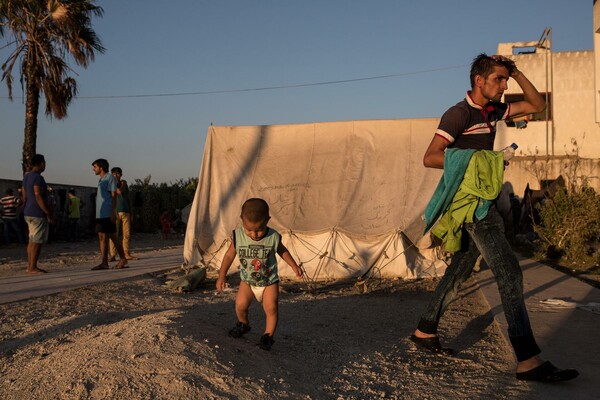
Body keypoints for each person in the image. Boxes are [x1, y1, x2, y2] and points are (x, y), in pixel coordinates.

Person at [411, 54, 578, 382]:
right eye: (499, 79)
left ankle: (425, 330)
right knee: (509, 271)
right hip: (473, 206)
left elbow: (536, 104)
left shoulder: (494, 111)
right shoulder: (458, 115)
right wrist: (481, 162)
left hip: (482, 202)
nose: (504, 86)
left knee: (458, 271)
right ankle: (528, 359)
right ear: (479, 81)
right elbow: (430, 157)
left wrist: (516, 72)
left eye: (505, 79)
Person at [216, 198, 303, 350]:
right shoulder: (238, 236)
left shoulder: (272, 237)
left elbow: (282, 251)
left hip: (269, 281)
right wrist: (222, 275)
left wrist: (294, 265)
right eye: (249, 229)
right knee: (240, 305)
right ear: (242, 220)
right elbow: (229, 255)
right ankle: (243, 324)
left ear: (268, 220)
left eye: (259, 229)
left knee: (271, 308)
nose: (254, 234)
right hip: (248, 281)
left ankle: (267, 336)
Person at [91, 158, 128, 270]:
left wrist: (113, 212)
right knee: (104, 237)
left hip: (107, 213)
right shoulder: (101, 179)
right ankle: (106, 262)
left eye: (95, 167)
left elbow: (113, 196)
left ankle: (121, 258)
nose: (93, 169)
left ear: (101, 168)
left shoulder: (109, 178)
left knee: (110, 237)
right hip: (100, 214)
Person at [22, 154, 54, 274]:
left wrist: (25, 205)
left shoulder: (26, 177)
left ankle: (30, 265)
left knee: (31, 240)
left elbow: (24, 195)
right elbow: (37, 194)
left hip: (28, 212)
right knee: (37, 241)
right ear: (41, 163)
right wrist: (47, 211)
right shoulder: (37, 178)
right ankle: (32, 267)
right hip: (37, 213)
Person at [109, 167, 137, 260]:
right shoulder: (112, 183)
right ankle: (112, 254)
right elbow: (119, 191)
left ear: (121, 174)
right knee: (114, 234)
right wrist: (123, 184)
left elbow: (128, 199)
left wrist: (131, 212)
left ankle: (126, 253)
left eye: (117, 174)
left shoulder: (124, 185)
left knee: (127, 234)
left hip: (126, 211)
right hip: (115, 212)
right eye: (114, 174)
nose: (116, 175)